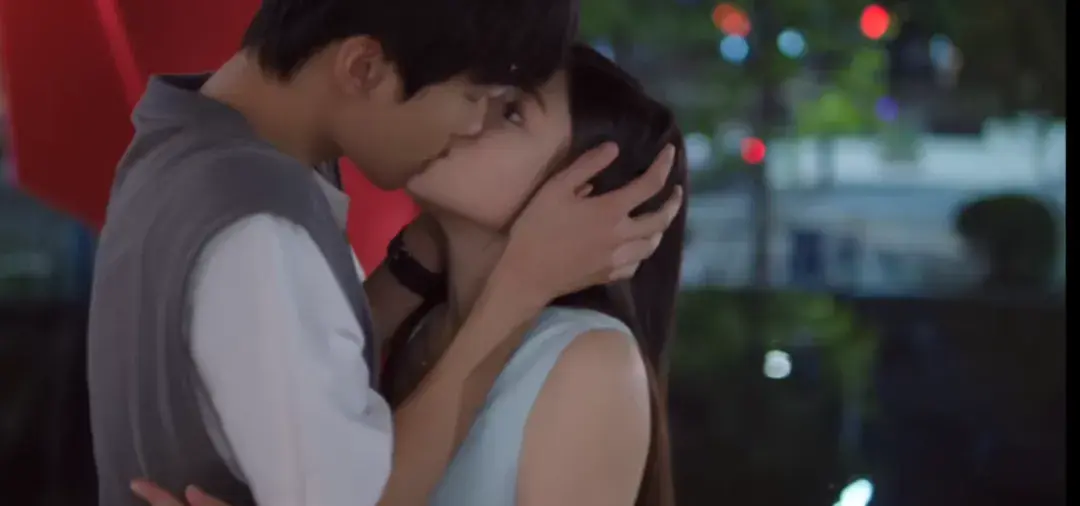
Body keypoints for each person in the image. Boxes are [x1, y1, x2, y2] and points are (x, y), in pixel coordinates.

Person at [87, 2, 681, 506]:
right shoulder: (286, 237)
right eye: (478, 95)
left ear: (585, 196)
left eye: (509, 110)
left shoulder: (589, 362)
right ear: (364, 68)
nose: (471, 121)